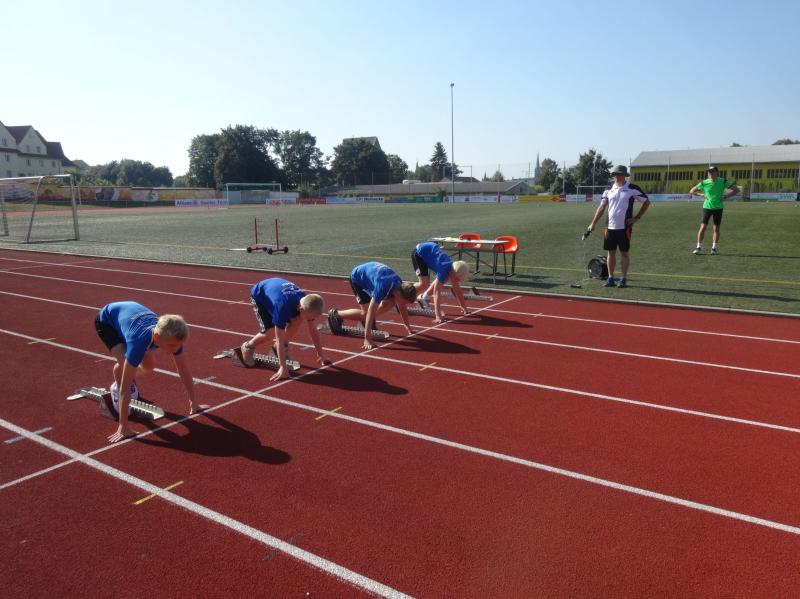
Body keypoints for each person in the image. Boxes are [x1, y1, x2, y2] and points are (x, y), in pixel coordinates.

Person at [94, 302, 207, 443]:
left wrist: (194, 402)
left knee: (149, 365)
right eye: (172, 345)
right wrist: (123, 425)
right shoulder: (138, 342)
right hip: (107, 321)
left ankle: (123, 369)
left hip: (132, 320)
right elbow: (125, 387)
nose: (176, 349)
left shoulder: (172, 338)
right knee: (126, 367)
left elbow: (183, 370)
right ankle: (118, 380)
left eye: (179, 345)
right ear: (157, 338)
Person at [240, 278, 331, 381]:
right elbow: (279, 338)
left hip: (279, 292)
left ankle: (278, 349)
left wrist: (321, 355)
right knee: (270, 333)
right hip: (260, 294)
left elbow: (313, 331)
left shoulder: (307, 302)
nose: (313, 320)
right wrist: (282, 367)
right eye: (312, 317)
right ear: (301, 309)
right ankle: (248, 347)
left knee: (297, 320)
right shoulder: (283, 308)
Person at [327, 261, 417, 349]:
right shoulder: (382, 287)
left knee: (390, 303)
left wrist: (407, 325)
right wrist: (367, 339)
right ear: (399, 294)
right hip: (358, 279)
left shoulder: (400, 285)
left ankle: (365, 322)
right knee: (365, 314)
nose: (404, 304)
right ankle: (335, 314)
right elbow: (371, 311)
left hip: (371, 274)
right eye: (404, 301)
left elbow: (402, 306)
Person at [586, 165, 650, 288]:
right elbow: (601, 207)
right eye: (615, 174)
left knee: (624, 253)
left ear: (624, 175)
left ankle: (623, 279)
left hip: (624, 227)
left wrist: (636, 217)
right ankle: (610, 278)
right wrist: (593, 223)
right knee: (611, 253)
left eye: (619, 174)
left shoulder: (632, 188)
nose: (617, 176)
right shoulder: (608, 190)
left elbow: (646, 202)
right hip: (609, 227)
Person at [412, 241, 470, 323]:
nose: (457, 281)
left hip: (430, 251)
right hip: (419, 253)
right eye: (457, 279)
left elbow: (457, 289)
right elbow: (436, 293)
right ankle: (405, 291)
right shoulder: (443, 271)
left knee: (442, 280)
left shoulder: (452, 269)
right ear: (454, 274)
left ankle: (423, 297)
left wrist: (464, 307)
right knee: (424, 284)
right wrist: (438, 315)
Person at [689, 165, 739, 255]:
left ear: (717, 172)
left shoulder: (723, 181)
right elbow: (692, 191)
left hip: (718, 208)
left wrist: (726, 197)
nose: (710, 173)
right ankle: (698, 247)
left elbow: (736, 190)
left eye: (712, 172)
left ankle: (714, 248)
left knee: (716, 228)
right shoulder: (704, 182)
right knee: (703, 227)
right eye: (709, 172)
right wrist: (701, 195)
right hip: (707, 207)